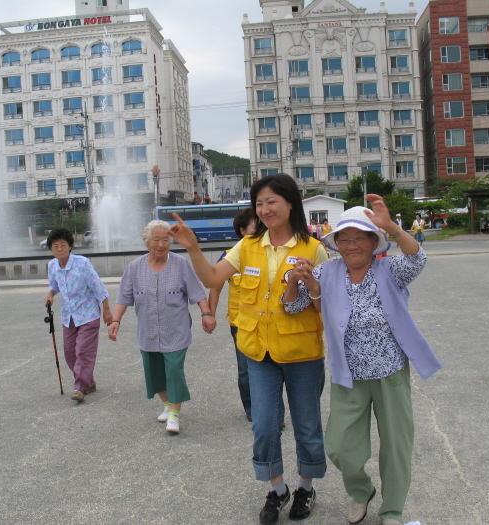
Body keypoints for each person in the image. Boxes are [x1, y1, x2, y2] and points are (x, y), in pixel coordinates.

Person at [169, 174, 329, 524]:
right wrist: (192, 247)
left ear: (290, 203)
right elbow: (213, 278)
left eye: (272, 201)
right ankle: (277, 490)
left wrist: (313, 284)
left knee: (306, 425)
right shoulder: (247, 246)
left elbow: (326, 307)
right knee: (264, 427)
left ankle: (305, 486)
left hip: (302, 353)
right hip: (258, 352)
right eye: (259, 203)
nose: (264, 208)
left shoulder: (314, 249)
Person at [282, 199, 442, 525]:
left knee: (396, 446)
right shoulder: (327, 271)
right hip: (349, 374)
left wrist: (393, 226)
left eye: (360, 238)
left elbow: (417, 257)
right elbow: (294, 307)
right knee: (339, 446)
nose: (352, 245)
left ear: (373, 241)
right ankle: (360, 490)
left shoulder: (389, 269)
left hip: (390, 373)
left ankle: (393, 510)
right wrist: (294, 281)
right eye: (345, 239)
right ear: (336, 244)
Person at [108, 220, 216, 434]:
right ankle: (167, 405)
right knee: (155, 373)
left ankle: (175, 414)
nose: (161, 244)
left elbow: (196, 292)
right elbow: (124, 298)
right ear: (147, 242)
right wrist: (115, 320)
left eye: (165, 240)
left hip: (176, 330)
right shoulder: (135, 268)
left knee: (174, 370)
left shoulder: (180, 264)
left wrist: (206, 314)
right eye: (156, 240)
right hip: (148, 332)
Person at [44, 228, 112, 402]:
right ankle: (88, 381)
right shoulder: (52, 265)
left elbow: (98, 286)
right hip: (69, 317)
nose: (59, 249)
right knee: (69, 352)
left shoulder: (82, 263)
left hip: (88, 314)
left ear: (70, 246)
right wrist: (51, 294)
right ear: (51, 248)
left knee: (83, 351)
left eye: (63, 245)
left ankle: (80, 388)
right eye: (55, 246)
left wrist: (106, 309)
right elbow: (55, 285)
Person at [207, 208, 258, 421]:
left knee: (271, 370)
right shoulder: (229, 257)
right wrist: (209, 314)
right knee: (245, 369)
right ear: (243, 230)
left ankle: (271, 409)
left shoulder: (270, 254)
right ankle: (251, 409)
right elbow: (215, 286)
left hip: (268, 321)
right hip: (240, 323)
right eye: (257, 227)